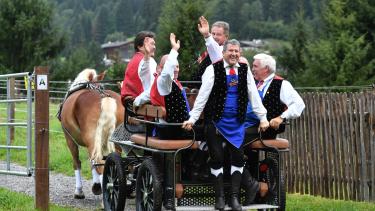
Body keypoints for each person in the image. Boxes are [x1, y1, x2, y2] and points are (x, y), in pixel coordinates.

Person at [182, 39, 269, 211]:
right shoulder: (212, 69)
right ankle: (219, 198)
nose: (234, 54)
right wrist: (192, 119)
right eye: (231, 51)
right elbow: (202, 97)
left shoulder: (244, 71)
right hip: (215, 122)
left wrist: (263, 117)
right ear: (223, 53)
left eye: (237, 52)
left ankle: (234, 198)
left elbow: (253, 95)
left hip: (237, 124)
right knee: (217, 159)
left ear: (240, 54)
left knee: (237, 159)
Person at [245, 53, 305, 140]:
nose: (252, 69)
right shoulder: (253, 82)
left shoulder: (282, 84)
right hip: (245, 124)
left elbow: (299, 104)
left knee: (233, 137)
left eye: (255, 66)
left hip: (264, 128)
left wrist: (281, 117)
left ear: (266, 69)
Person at [150, 33, 191, 139]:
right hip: (173, 129)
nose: (176, 69)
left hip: (179, 126)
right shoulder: (164, 81)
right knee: (208, 133)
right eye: (173, 66)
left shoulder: (173, 82)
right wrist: (174, 50)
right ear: (161, 68)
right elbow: (167, 73)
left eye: (177, 66)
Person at [120, 31, 157, 109]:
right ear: (140, 47)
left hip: (129, 103)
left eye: (154, 44)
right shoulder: (149, 61)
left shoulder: (133, 60)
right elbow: (153, 87)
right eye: (151, 44)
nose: (154, 47)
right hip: (140, 103)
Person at [193, 16, 229, 81]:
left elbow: (215, 49)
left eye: (218, 34)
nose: (215, 37)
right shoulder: (207, 50)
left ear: (226, 37)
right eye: (213, 34)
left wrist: (207, 35)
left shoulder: (225, 52)